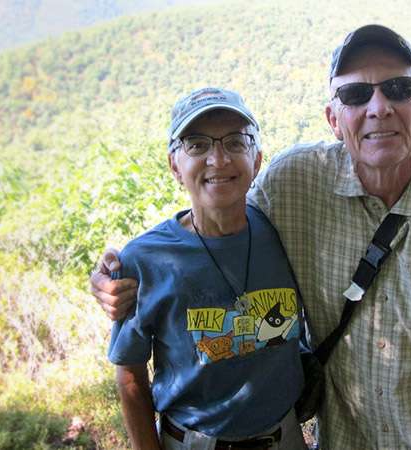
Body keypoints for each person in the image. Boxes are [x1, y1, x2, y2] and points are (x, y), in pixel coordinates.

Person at [92, 25, 411, 450]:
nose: (379, 108)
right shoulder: (293, 183)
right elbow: (216, 217)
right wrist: (119, 269)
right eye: (355, 95)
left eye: (398, 88)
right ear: (333, 117)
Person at [106, 87, 307, 450]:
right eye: (197, 145)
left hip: (285, 437)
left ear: (257, 159)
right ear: (174, 165)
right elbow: (131, 375)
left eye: (235, 142)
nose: (219, 159)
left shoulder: (284, 232)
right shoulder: (145, 260)